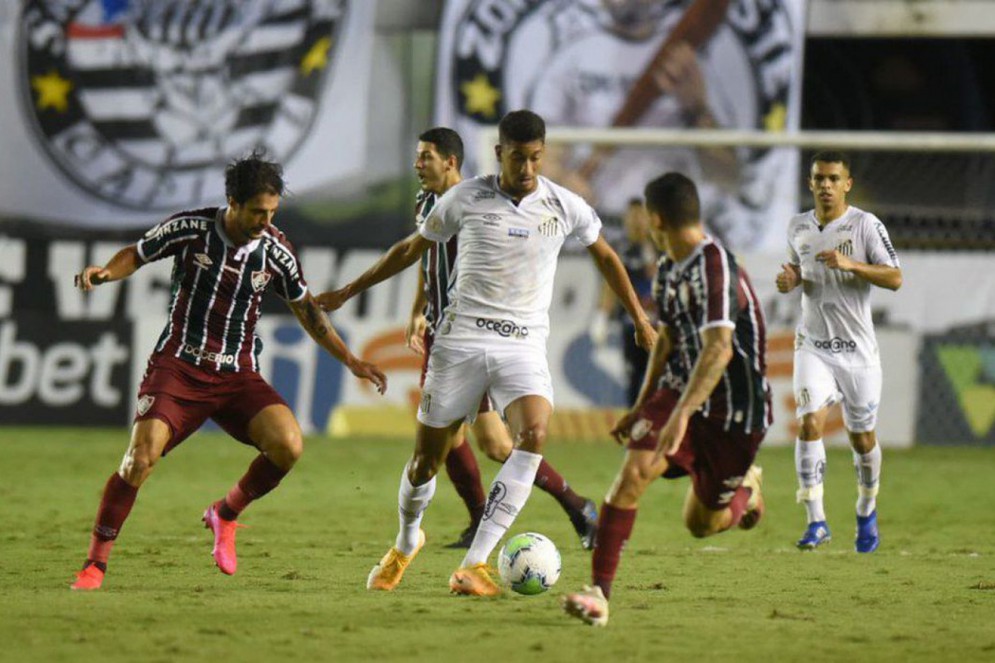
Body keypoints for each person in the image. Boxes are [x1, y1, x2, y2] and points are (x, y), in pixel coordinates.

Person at [317, 110, 655, 596]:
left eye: (536, 158)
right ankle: (407, 541)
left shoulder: (564, 204)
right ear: (499, 153)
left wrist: (639, 318)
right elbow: (413, 250)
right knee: (425, 463)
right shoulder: (464, 198)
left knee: (532, 436)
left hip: (522, 347)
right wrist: (348, 291)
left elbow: (605, 254)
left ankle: (476, 564)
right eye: (518, 158)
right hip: (459, 343)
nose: (528, 169)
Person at [69, 154, 387, 591]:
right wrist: (105, 272)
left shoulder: (276, 250)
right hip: (180, 366)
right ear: (232, 202)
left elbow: (308, 311)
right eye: (258, 211)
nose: (265, 220)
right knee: (139, 460)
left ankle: (225, 513)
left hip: (236, 375)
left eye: (272, 212)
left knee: (288, 445)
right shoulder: (191, 228)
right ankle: (95, 565)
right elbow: (136, 255)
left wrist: (351, 360)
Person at [563, 172, 770, 627]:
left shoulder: (715, 265)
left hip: (734, 411)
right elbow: (668, 339)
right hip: (680, 391)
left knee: (702, 524)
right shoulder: (670, 269)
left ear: (655, 219)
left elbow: (719, 348)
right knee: (632, 474)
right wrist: (643, 405)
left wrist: (682, 415)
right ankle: (599, 594)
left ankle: (748, 491)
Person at [403, 127, 598, 551]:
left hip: (476, 336)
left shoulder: (473, 205)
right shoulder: (427, 203)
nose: (419, 164)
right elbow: (427, 259)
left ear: (451, 161)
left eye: (427, 157)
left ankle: (573, 505)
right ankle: (485, 518)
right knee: (454, 438)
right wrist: (419, 309)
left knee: (492, 443)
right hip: (444, 333)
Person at [775, 151, 902, 553]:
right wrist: (791, 279)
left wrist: (853, 265)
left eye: (833, 178)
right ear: (810, 184)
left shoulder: (866, 226)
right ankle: (816, 520)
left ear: (847, 184)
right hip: (813, 345)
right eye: (819, 179)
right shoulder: (797, 226)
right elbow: (799, 270)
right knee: (809, 423)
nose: (825, 185)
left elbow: (895, 277)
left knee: (861, 438)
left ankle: (866, 508)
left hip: (858, 352)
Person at [590, 198, 658, 405]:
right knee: (634, 376)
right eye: (632, 216)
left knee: (659, 377)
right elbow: (610, 284)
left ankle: (659, 427)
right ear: (626, 220)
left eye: (641, 216)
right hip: (633, 324)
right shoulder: (620, 249)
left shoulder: (660, 246)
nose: (637, 222)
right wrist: (601, 315)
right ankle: (636, 425)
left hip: (661, 324)